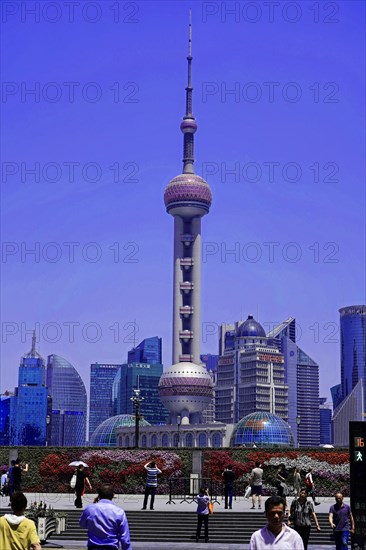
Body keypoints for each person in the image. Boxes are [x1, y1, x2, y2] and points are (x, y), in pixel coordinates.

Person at [80, 484, 132, 550]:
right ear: (113, 495)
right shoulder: (119, 512)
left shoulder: (89, 509)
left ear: (99, 495)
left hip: (93, 547)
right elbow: (125, 538)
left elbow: (82, 524)